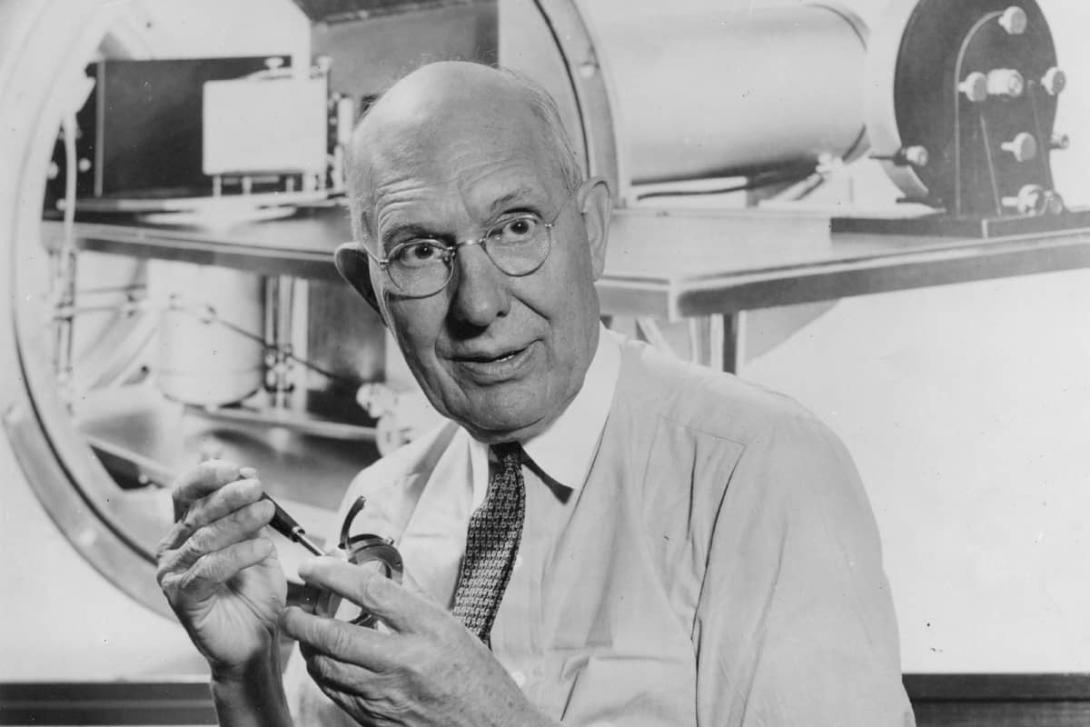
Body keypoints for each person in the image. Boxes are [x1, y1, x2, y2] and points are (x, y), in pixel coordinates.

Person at [156, 61, 915, 726]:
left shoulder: (760, 472)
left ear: (591, 230)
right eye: (421, 250)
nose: (479, 304)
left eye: (516, 227)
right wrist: (245, 677)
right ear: (369, 289)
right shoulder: (382, 502)